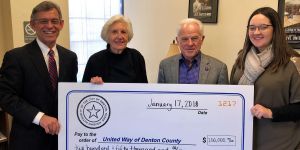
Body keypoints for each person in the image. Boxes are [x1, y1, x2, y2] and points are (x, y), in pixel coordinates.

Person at [0, 1, 78, 150]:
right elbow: (5, 96)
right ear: (32, 24)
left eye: (54, 21)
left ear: (61, 24)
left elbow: (70, 94)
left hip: (62, 139)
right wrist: (40, 117)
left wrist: (93, 86)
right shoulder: (15, 57)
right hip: (28, 141)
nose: (50, 26)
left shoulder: (70, 57)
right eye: (43, 21)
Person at [230, 7, 300, 150]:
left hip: (281, 144)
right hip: (244, 140)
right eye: (252, 28)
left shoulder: (293, 62)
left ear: (275, 30)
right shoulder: (240, 59)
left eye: (263, 27)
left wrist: (271, 112)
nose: (256, 32)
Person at [158, 18, 228, 84]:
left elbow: (224, 97)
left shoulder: (219, 68)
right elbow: (160, 95)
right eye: (185, 39)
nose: (190, 43)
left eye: (194, 38)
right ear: (178, 41)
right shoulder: (165, 66)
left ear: (202, 40)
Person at [82, 15, 148, 83]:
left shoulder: (136, 57)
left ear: (128, 35)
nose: (119, 36)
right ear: (107, 36)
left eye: (123, 32)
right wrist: (92, 86)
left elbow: (144, 90)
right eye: (114, 32)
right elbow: (82, 91)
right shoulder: (95, 60)